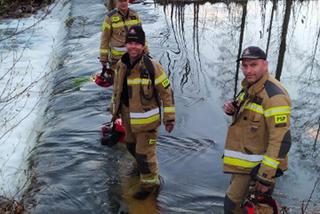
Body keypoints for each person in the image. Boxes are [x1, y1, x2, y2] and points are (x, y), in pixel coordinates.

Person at [222, 46, 292, 213]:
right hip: (245, 162)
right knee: (236, 205)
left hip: (258, 168)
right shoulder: (250, 87)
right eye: (244, 66)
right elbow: (250, 118)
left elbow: (281, 139)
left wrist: (265, 177)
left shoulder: (275, 97)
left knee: (235, 205)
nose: (248, 71)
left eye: (253, 65)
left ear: (265, 65)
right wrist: (233, 109)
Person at [110, 26, 175, 200]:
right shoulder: (121, 65)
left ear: (143, 45)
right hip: (127, 118)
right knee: (131, 146)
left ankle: (150, 185)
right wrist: (114, 114)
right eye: (130, 43)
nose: (133, 47)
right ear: (126, 44)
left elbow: (166, 93)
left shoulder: (152, 66)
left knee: (145, 154)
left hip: (148, 122)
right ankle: (142, 169)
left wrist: (169, 118)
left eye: (137, 43)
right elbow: (117, 91)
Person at [99, 0, 148, 71]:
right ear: (116, 2)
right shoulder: (110, 18)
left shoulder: (134, 15)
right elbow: (104, 39)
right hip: (117, 59)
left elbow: (142, 36)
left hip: (134, 57)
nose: (123, 3)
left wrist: (146, 51)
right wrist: (103, 58)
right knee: (119, 80)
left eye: (125, 0)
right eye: (120, 1)